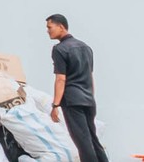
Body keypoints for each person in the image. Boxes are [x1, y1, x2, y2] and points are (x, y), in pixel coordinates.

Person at [46, 14, 109, 162]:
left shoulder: (59, 49)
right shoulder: (86, 47)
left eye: (50, 27)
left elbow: (61, 79)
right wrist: (90, 97)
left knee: (83, 142)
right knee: (93, 139)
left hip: (72, 101)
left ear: (61, 26)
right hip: (88, 99)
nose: (48, 31)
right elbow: (90, 76)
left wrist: (55, 105)